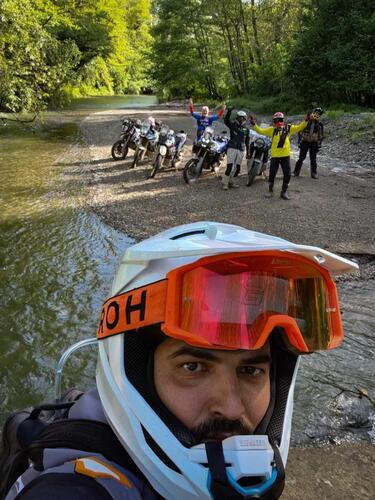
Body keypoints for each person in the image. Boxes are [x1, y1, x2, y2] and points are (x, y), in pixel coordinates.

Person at [1, 221, 358, 500]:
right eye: (194, 367)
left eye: (251, 370)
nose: (232, 408)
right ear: (135, 371)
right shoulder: (77, 490)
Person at [250, 112, 309, 200]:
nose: (278, 122)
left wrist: (306, 120)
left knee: (287, 174)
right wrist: (254, 124)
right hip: (275, 156)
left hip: (285, 155)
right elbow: (260, 131)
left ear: (283, 120)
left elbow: (299, 127)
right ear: (274, 121)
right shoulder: (271, 130)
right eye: (277, 120)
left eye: (280, 120)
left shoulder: (288, 128)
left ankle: (284, 192)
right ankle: (270, 190)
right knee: (272, 173)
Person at [222, 107, 251, 190]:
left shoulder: (246, 129)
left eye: (243, 118)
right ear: (237, 118)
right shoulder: (232, 125)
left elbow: (247, 141)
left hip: (241, 149)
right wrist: (229, 111)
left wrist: (248, 152)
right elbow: (226, 121)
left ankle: (230, 181)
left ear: (245, 118)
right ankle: (225, 183)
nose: (241, 120)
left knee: (237, 169)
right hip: (232, 148)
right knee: (229, 167)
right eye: (239, 118)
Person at [293, 108, 324, 179]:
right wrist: (299, 142)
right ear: (313, 112)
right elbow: (300, 131)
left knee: (313, 159)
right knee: (301, 158)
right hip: (305, 141)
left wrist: (319, 145)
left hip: (314, 142)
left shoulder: (319, 124)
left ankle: (314, 173)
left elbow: (321, 135)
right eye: (316, 112)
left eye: (319, 113)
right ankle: (296, 172)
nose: (317, 114)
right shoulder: (306, 121)